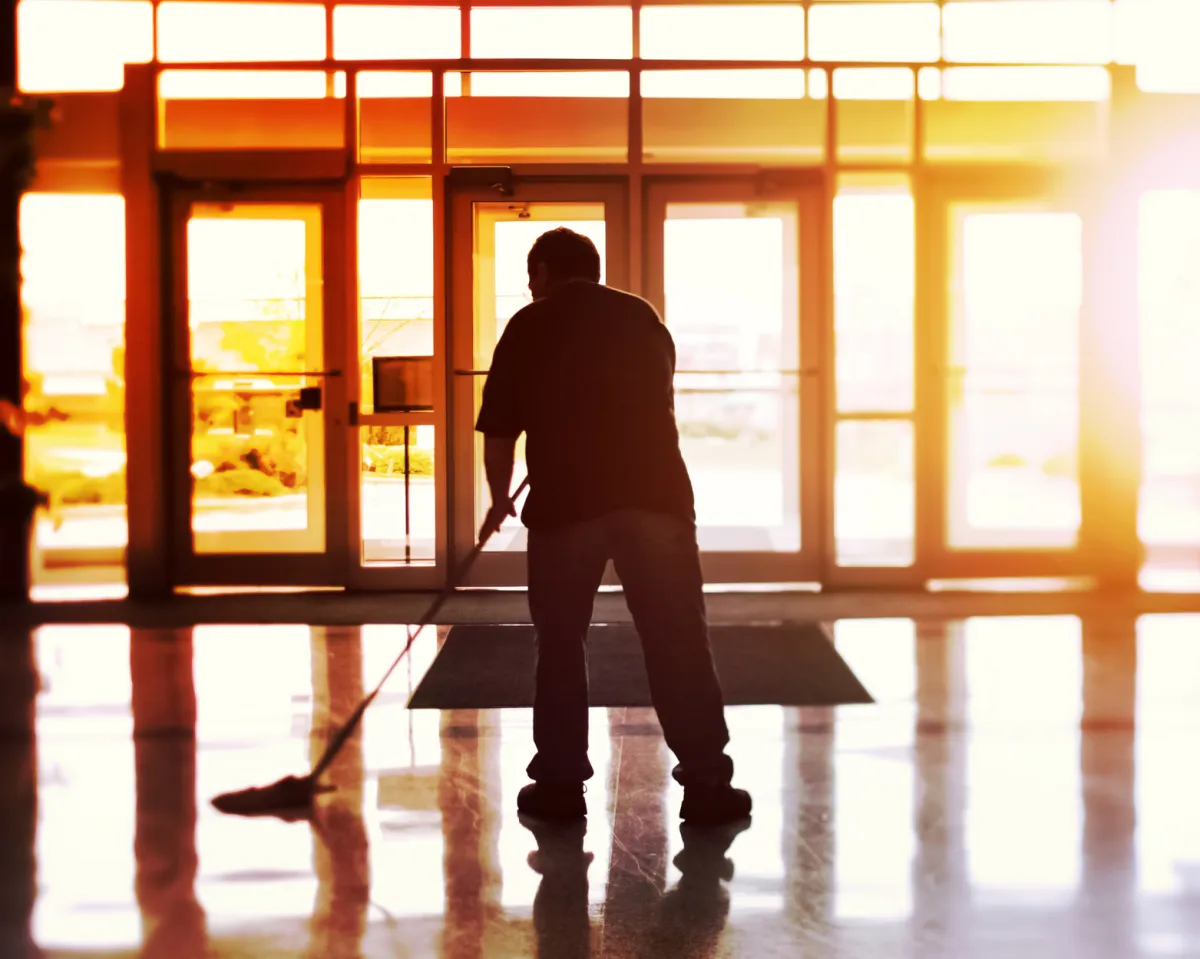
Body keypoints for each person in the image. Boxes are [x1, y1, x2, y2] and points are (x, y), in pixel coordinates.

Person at [475, 227, 752, 825]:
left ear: (545, 271)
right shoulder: (642, 318)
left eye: (531, 276)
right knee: (678, 640)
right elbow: (650, 400)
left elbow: (499, 430)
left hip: (566, 505)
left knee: (560, 644)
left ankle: (558, 786)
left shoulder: (529, 324)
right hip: (655, 497)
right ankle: (707, 785)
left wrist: (499, 498)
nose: (530, 287)